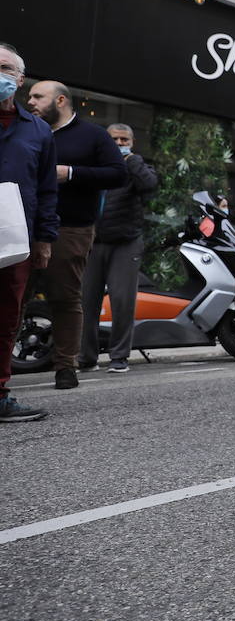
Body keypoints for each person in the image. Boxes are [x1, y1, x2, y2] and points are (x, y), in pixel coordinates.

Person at [26, 80, 126, 390]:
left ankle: (66, 366)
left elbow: (118, 174)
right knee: (13, 297)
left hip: (70, 228)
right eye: (29, 96)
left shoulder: (93, 135)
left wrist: (70, 172)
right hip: (22, 228)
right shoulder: (26, 130)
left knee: (65, 297)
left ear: (60, 101)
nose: (29, 101)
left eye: (37, 96)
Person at [0, 46, 56, 423]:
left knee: (6, 318)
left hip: (14, 238)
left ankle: (0, 394)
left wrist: (44, 239)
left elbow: (47, 188)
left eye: (4, 68)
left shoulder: (37, 130)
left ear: (20, 80)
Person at [78, 124, 157, 374]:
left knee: (122, 301)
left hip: (126, 242)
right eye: (115, 139)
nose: (120, 143)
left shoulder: (136, 165)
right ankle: (86, 358)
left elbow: (150, 185)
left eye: (125, 139)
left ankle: (119, 357)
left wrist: (131, 160)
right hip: (92, 242)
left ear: (132, 142)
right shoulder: (95, 163)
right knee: (85, 303)